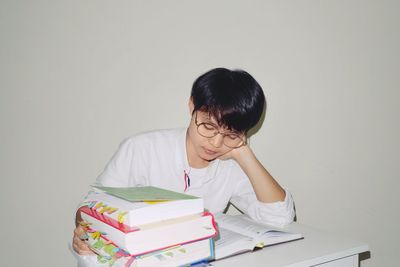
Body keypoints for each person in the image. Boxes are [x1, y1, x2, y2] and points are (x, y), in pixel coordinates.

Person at [72, 67, 295, 256]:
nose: (216, 143)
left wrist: (245, 155)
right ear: (191, 106)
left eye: (231, 134)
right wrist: (85, 231)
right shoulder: (142, 148)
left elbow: (280, 218)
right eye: (208, 126)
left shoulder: (231, 163)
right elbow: (90, 206)